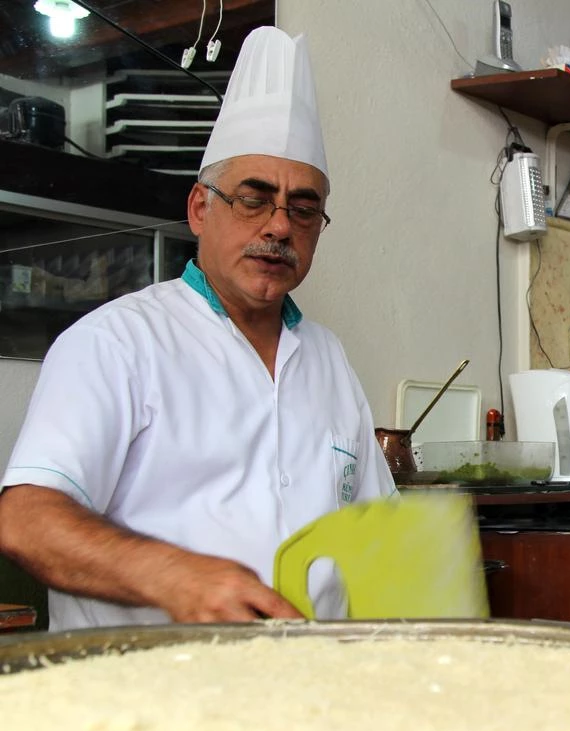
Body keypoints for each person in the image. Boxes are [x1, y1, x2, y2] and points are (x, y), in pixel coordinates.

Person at [0, 27, 394, 630]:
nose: (280, 226)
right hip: (146, 701)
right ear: (199, 210)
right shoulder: (115, 343)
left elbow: (376, 532)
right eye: (253, 199)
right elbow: (26, 518)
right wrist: (173, 574)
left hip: (307, 694)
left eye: (303, 208)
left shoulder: (327, 356)